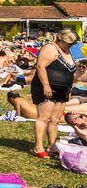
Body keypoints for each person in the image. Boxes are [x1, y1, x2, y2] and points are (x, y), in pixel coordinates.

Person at [31, 29, 78, 158]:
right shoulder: (51, 48)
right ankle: (38, 147)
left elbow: (69, 72)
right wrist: (46, 85)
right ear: (60, 38)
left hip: (63, 91)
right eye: (68, 42)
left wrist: (69, 88)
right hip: (47, 88)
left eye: (72, 43)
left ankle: (52, 146)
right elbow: (40, 66)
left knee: (55, 120)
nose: (70, 45)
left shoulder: (67, 51)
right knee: (44, 118)